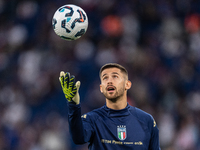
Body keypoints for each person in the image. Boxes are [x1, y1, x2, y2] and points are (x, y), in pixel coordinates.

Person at [59, 63, 161, 150]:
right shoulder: (93, 119)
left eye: (115, 76)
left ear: (127, 84)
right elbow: (78, 138)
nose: (109, 81)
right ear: (101, 88)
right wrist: (73, 105)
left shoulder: (146, 121)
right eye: (105, 78)